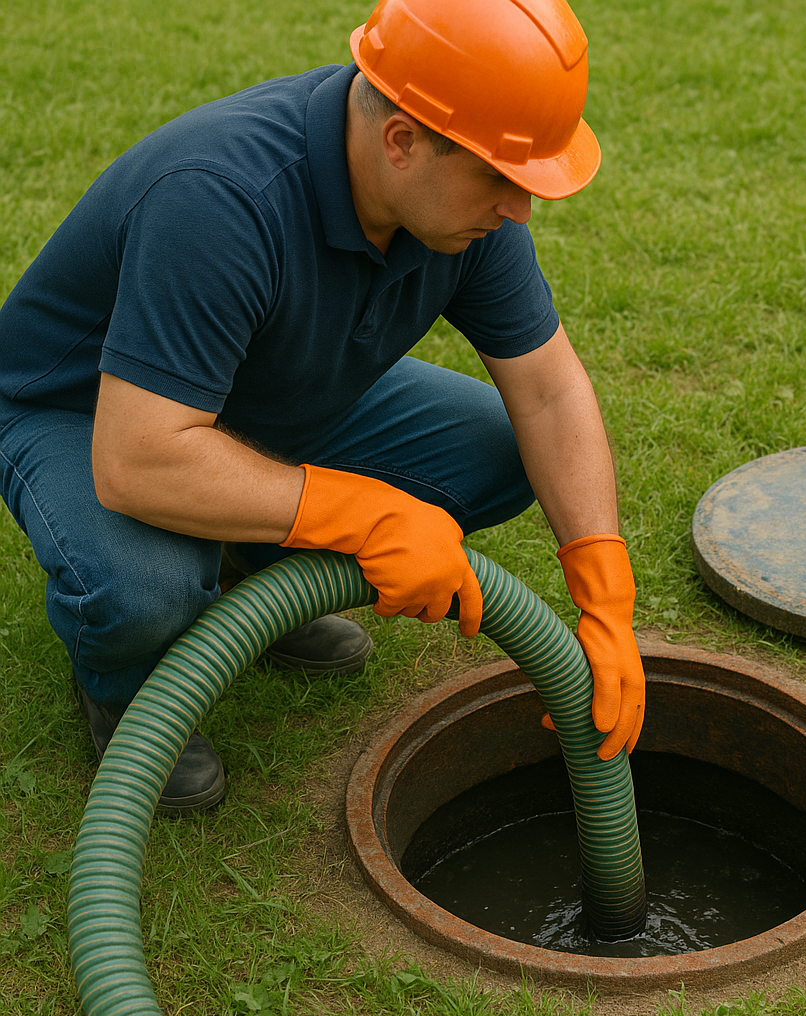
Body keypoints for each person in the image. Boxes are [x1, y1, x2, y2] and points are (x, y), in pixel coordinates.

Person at [0, 0, 645, 813]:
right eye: (500, 179)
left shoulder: (465, 208)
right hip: (86, 414)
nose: (520, 209)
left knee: (498, 448)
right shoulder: (221, 200)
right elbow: (135, 460)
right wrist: (363, 517)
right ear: (402, 140)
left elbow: (550, 392)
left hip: (264, 390)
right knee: (145, 589)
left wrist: (604, 588)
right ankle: (131, 689)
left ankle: (258, 570)